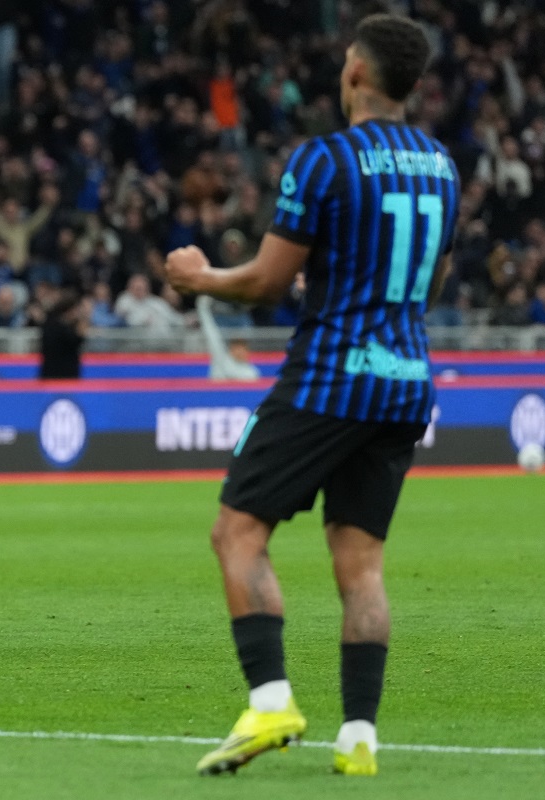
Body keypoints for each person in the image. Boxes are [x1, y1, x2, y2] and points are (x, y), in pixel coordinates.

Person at [165, 14, 459, 778]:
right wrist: (339, 279)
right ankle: (359, 738)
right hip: (406, 383)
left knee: (237, 534)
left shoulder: (323, 160)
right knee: (361, 563)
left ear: (357, 73)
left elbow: (261, 281)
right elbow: (425, 281)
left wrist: (199, 279)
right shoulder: (442, 165)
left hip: (332, 375)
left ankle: (270, 701)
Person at [196, 295, 260, 380]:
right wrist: (203, 308)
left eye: (243, 348)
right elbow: (211, 334)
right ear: (231, 349)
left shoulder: (252, 372)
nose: (240, 351)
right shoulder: (221, 360)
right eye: (237, 347)